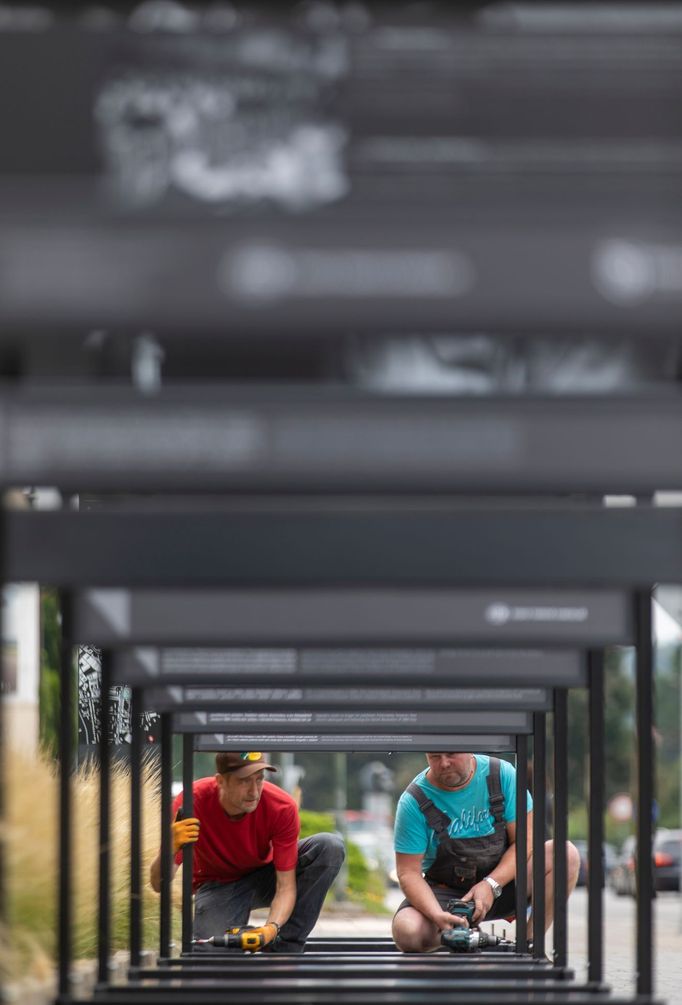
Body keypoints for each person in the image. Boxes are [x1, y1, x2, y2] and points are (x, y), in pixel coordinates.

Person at [149, 751, 345, 953]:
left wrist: (271, 928)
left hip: (264, 877)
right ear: (221, 781)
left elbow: (285, 886)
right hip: (219, 887)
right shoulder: (190, 803)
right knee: (208, 957)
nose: (254, 791)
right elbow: (157, 884)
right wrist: (170, 848)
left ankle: (285, 949)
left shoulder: (281, 806)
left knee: (330, 847)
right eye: (244, 781)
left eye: (259, 779)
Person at [391, 751, 580, 952]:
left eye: (451, 754)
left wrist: (491, 885)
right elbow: (408, 872)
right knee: (407, 932)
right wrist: (437, 915)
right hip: (446, 893)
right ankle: (457, 936)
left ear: (469, 748)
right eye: (435, 757)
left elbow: (524, 842)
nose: (444, 763)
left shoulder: (501, 775)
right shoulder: (413, 800)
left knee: (565, 854)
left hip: (504, 884)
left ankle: (530, 943)